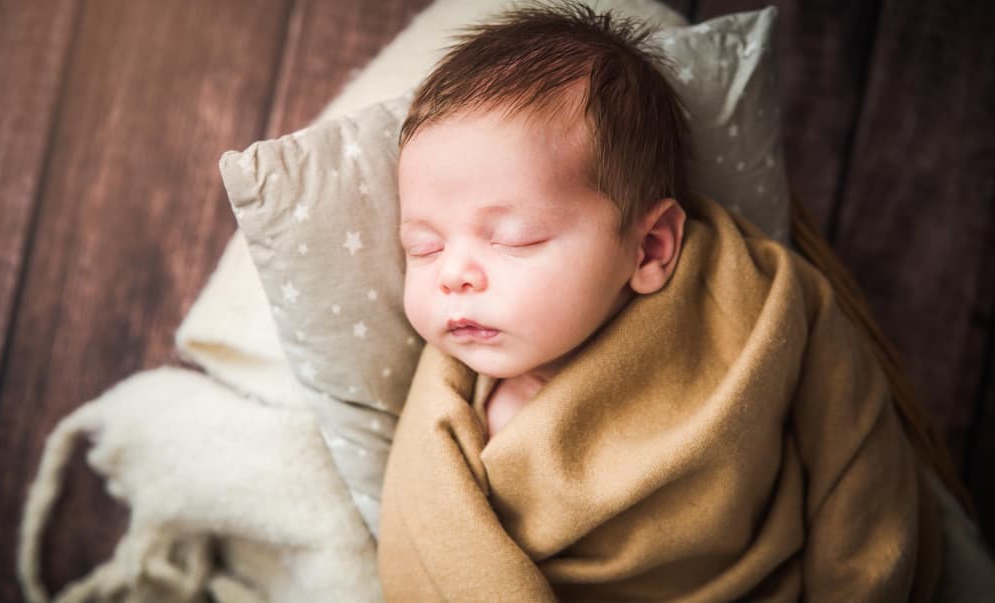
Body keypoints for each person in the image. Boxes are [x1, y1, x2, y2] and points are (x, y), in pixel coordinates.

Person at [378, 3, 945, 600]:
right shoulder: (451, 401)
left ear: (650, 248)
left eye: (515, 238)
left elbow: (858, 459)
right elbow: (429, 541)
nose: (454, 275)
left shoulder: (759, 299)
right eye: (424, 246)